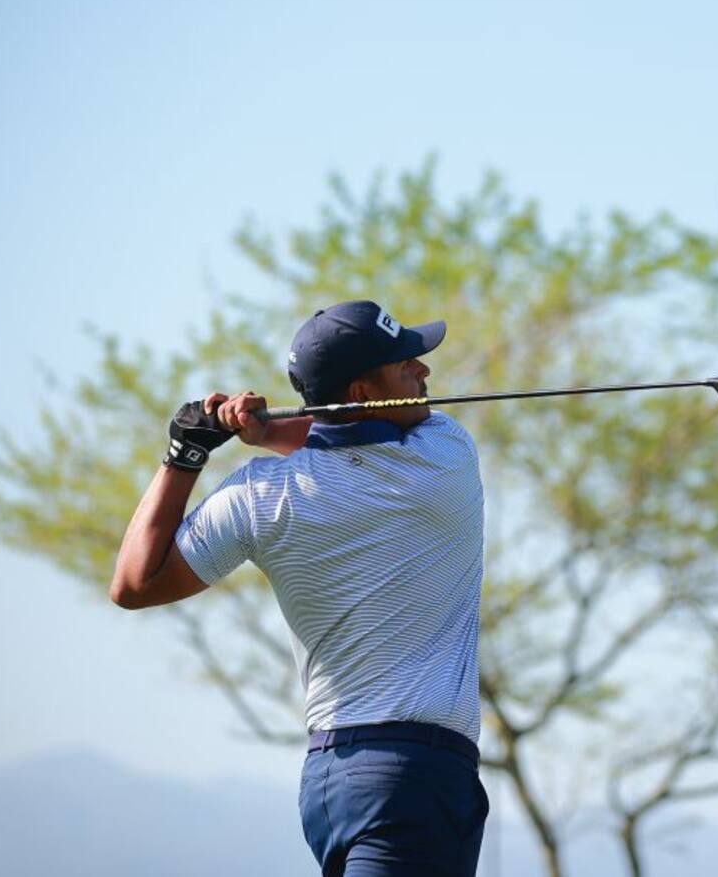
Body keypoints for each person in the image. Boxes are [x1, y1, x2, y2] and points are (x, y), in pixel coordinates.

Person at [110, 300, 489, 876]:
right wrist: (264, 433)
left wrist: (185, 452)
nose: (424, 370)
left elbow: (133, 584)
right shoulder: (446, 454)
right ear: (363, 392)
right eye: (405, 363)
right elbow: (348, 442)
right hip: (415, 777)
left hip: (330, 780)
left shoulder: (258, 497)